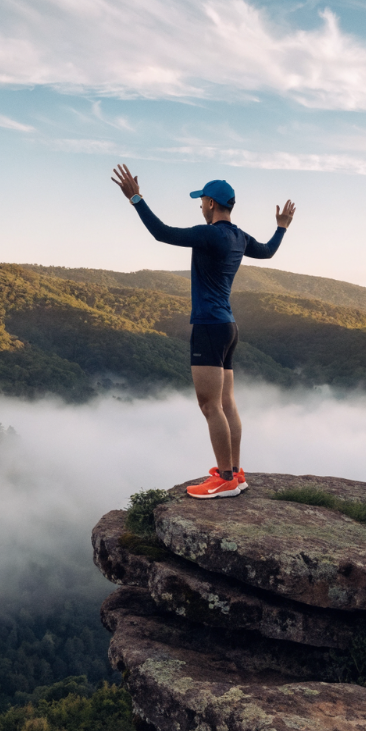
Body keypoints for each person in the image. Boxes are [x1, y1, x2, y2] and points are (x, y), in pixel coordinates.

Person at [110, 164, 296, 499]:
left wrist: (135, 198)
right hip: (229, 327)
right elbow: (267, 251)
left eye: (202, 200)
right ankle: (236, 473)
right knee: (226, 402)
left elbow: (161, 233)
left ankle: (225, 478)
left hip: (209, 327)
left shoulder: (208, 233)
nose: (200, 205)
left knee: (210, 405)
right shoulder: (240, 237)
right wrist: (281, 228)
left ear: (211, 203)